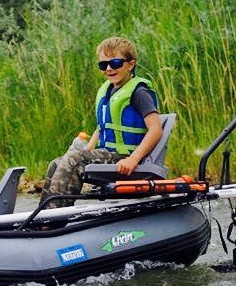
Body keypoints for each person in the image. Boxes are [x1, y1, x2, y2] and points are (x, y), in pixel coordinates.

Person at [40, 36, 162, 207]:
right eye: (103, 65)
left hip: (124, 158)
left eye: (116, 63)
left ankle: (53, 221)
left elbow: (156, 129)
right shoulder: (109, 91)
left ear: (131, 64)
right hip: (108, 153)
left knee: (74, 161)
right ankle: (43, 216)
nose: (109, 68)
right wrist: (87, 149)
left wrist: (133, 159)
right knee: (57, 163)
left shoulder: (139, 92)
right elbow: (102, 127)